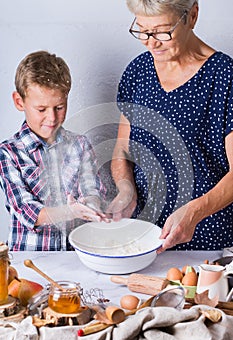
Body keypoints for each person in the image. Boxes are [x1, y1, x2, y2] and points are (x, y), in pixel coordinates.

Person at [108, 0, 233, 252]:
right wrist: (126, 189)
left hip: (208, 244)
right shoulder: (138, 71)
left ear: (192, 16)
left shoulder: (224, 77)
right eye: (142, 30)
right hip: (144, 239)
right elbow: (123, 150)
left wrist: (194, 212)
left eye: (162, 31)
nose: (151, 42)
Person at [0, 50, 109, 251]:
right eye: (41, 110)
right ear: (19, 101)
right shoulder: (9, 153)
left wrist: (90, 204)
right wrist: (69, 211)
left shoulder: (80, 145)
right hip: (31, 261)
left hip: (75, 258)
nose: (52, 118)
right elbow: (27, 211)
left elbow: (93, 190)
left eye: (59, 107)